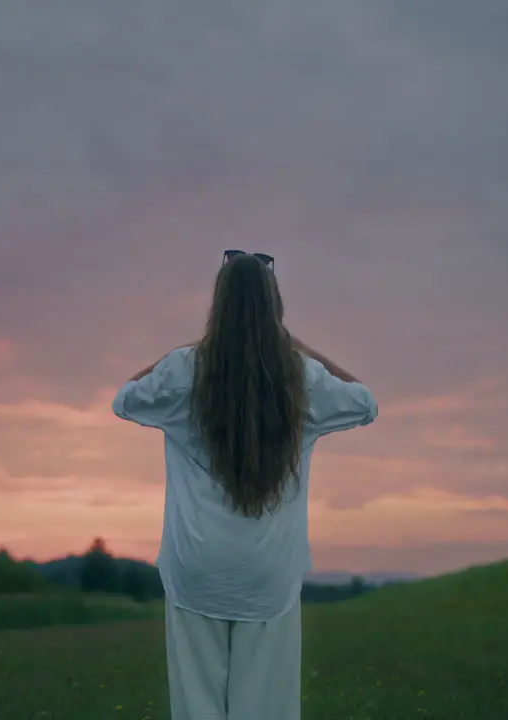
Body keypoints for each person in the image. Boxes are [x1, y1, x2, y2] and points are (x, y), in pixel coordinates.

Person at [112, 251, 378, 720]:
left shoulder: (185, 369)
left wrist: (203, 346)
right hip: (267, 573)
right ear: (274, 307)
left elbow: (124, 399)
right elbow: (365, 402)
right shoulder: (302, 377)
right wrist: (296, 346)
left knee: (198, 708)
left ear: (219, 305)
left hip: (196, 567)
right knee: (266, 710)